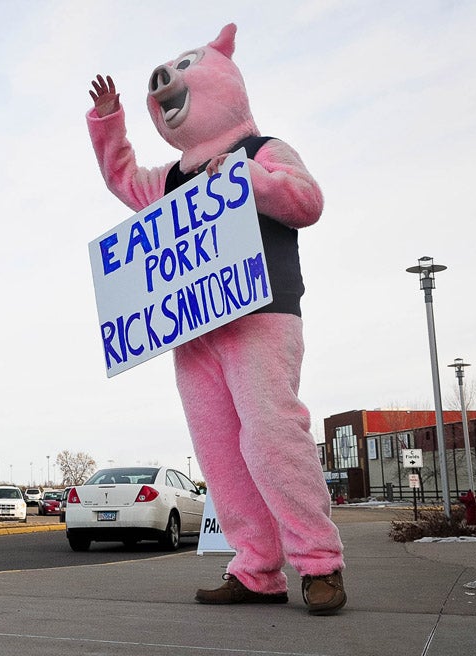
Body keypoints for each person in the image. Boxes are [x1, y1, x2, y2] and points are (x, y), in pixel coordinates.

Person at [85, 23, 346, 615]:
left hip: (261, 315)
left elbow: (306, 201)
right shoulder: (171, 179)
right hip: (194, 332)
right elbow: (123, 179)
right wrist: (108, 124)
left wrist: (246, 180)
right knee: (220, 455)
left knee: (272, 439)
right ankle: (255, 568)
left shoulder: (263, 151)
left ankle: (319, 564)